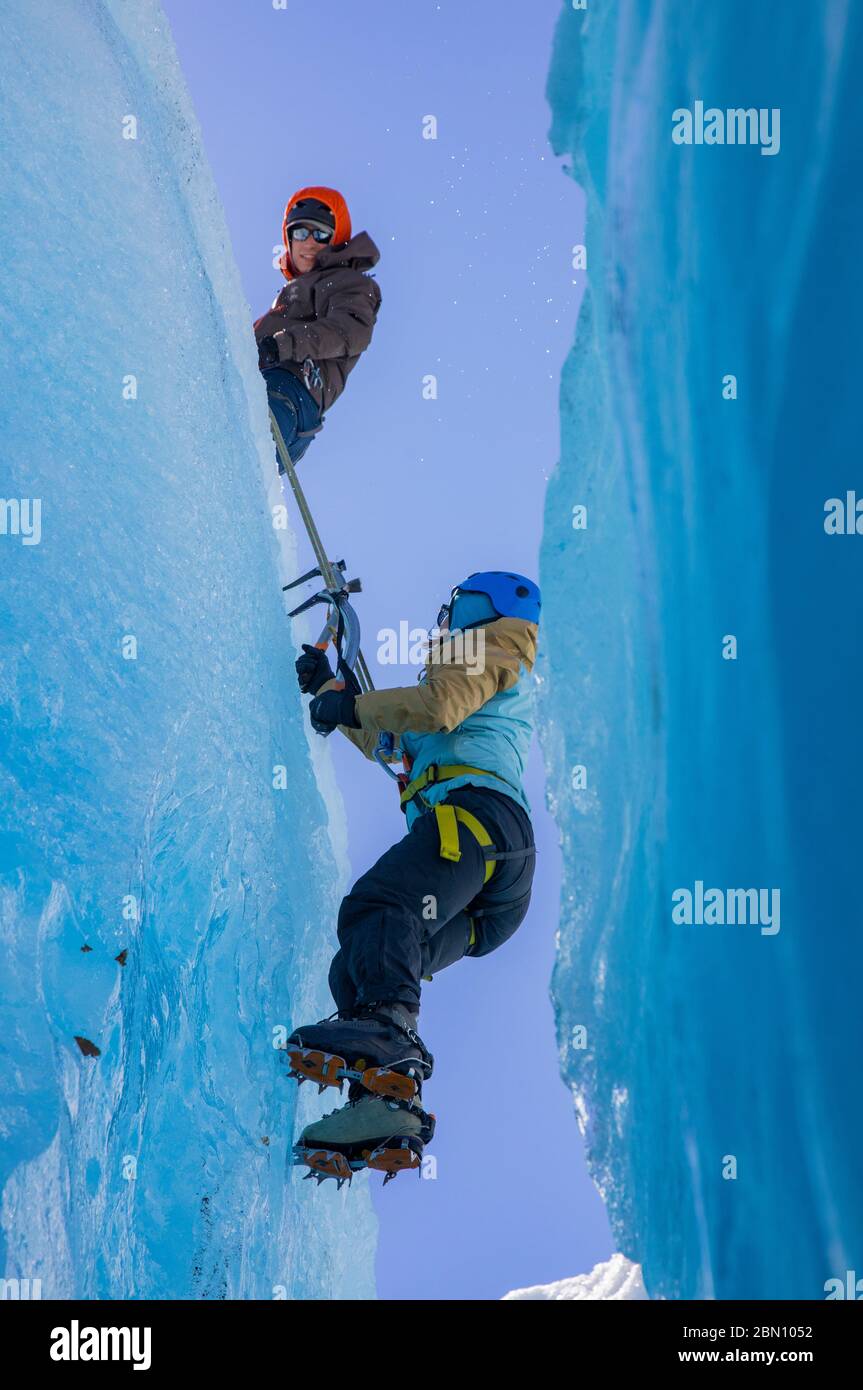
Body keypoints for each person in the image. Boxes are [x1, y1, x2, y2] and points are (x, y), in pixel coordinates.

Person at [286, 572, 540, 1180]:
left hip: (478, 822)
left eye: (457, 607)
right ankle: (387, 1103)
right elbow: (395, 743)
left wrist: (345, 701)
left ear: (486, 607)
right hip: (492, 888)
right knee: (362, 958)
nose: (448, 621)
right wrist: (331, 692)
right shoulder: (479, 676)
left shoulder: (490, 645)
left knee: (380, 906)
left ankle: (385, 1036)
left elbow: (434, 707)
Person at [254, 186, 381, 468]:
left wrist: (280, 345)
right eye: (300, 233)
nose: (309, 242)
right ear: (288, 239)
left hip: (293, 390)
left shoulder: (351, 283)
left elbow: (348, 331)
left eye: (320, 233)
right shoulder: (289, 297)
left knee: (247, 441)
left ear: (335, 239)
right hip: (271, 387)